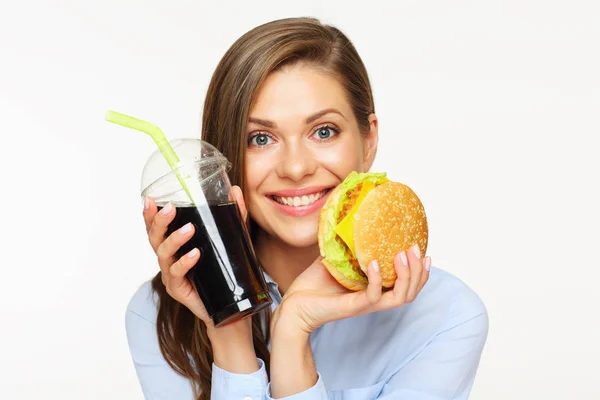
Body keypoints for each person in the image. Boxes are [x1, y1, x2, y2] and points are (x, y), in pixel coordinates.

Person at [125, 17, 489, 400]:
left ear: (369, 140)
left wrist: (292, 331)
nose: (296, 168)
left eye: (324, 131)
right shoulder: (157, 318)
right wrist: (229, 327)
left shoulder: (446, 317)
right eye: (260, 138)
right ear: (224, 158)